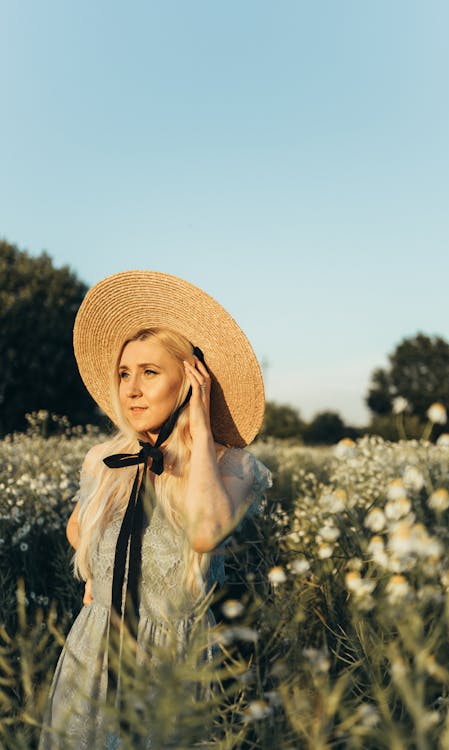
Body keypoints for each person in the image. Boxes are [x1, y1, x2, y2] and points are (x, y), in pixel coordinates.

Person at [39, 270, 272, 749]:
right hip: (94, 649)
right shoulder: (105, 459)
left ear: (190, 383)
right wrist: (101, 578)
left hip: (171, 660)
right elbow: (77, 535)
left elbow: (206, 534)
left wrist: (202, 431)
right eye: (125, 373)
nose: (131, 389)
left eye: (150, 372)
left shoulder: (234, 466)